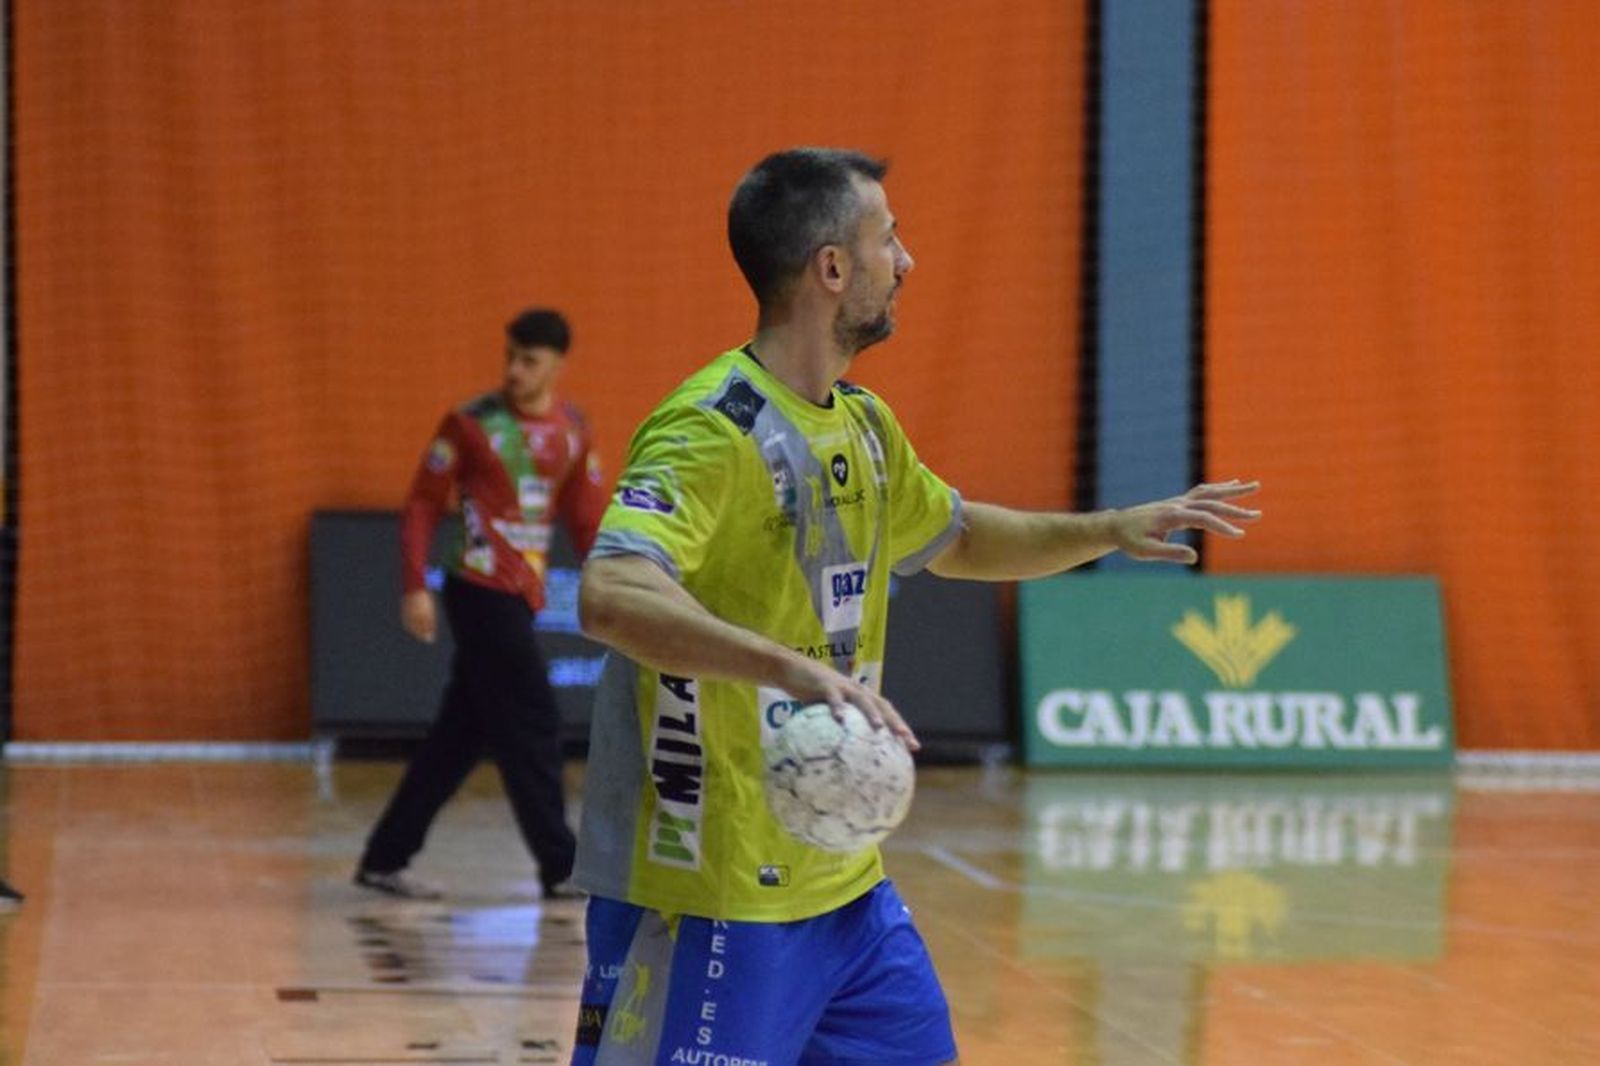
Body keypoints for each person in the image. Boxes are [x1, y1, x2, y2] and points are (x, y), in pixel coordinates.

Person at [569, 149, 1261, 1064]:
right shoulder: (711, 429)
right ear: (831, 269)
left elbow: (960, 537)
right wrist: (787, 665)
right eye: (889, 239)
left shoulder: (862, 425)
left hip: (847, 891)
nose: (908, 260)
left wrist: (1110, 529)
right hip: (717, 892)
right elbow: (612, 594)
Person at [354, 308, 606, 902]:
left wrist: (609, 581)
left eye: (530, 360)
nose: (515, 370)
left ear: (556, 366)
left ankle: (385, 858)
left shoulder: (573, 430)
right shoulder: (470, 424)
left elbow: (588, 518)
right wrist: (415, 583)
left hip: (523, 597)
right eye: (510, 357)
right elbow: (421, 503)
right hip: (478, 588)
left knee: (459, 737)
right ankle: (560, 866)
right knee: (535, 721)